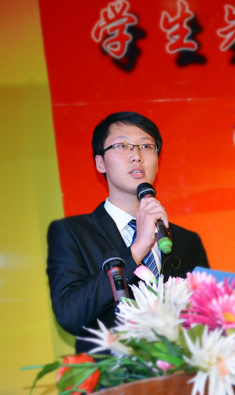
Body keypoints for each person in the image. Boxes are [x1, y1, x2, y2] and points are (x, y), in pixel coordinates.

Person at [46, 111, 209, 353]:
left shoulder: (187, 241)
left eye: (146, 146)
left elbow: (205, 316)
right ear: (100, 163)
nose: (136, 156)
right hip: (114, 373)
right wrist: (138, 248)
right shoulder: (71, 233)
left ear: (157, 161)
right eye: (122, 146)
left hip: (179, 372)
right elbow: (70, 315)